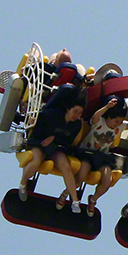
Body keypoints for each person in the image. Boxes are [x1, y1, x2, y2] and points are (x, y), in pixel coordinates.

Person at [59, 98, 128, 216]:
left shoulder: (120, 126)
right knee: (80, 176)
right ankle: (65, 194)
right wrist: (107, 107)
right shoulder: (99, 121)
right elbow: (96, 115)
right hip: (87, 154)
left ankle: (93, 200)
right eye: (115, 121)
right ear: (109, 117)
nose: (117, 124)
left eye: (120, 121)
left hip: (101, 157)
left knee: (107, 181)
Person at [18, 85, 86, 213]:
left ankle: (75, 200)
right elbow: (37, 120)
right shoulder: (52, 114)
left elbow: (67, 142)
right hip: (40, 143)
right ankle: (22, 184)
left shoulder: (76, 125)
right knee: (35, 162)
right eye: (75, 111)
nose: (76, 115)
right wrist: (33, 119)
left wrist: (54, 138)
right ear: (68, 109)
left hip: (55, 147)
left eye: (79, 113)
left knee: (65, 166)